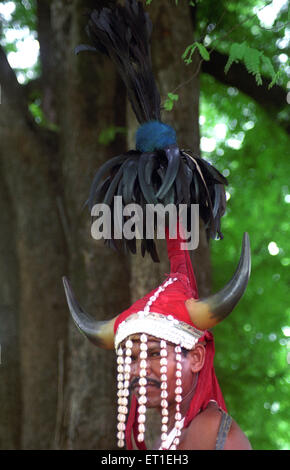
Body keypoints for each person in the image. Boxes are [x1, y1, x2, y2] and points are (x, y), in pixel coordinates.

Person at [63, 0, 252, 450]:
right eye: (130, 356)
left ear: (197, 357)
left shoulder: (211, 435)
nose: (136, 370)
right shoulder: (178, 434)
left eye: (151, 353)